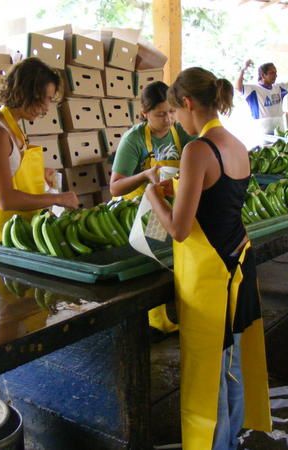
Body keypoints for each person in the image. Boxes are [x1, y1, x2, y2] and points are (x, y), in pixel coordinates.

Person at [145, 68, 271, 450]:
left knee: (207, 374)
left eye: (175, 111)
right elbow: (219, 202)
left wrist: (153, 196)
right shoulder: (234, 143)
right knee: (230, 365)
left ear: (186, 103)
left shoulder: (197, 149)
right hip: (239, 261)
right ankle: (229, 442)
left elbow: (179, 229)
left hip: (211, 276)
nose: (176, 121)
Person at [110, 80, 194, 334]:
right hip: (139, 211)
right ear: (144, 113)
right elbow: (115, 187)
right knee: (151, 264)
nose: (168, 119)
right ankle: (155, 321)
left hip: (169, 205)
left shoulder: (180, 132)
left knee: (173, 261)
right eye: (160, 114)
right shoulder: (134, 139)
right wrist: (145, 175)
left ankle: (171, 313)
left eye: (171, 112)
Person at [0, 58, 79, 257]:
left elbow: (11, 170)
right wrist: (58, 198)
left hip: (19, 235)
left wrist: (40, 174)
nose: (47, 108)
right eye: (46, 98)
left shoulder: (14, 127)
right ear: (28, 92)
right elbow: (5, 199)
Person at [236, 59, 288, 134]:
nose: (275, 75)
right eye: (272, 73)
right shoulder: (253, 89)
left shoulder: (278, 87)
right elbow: (238, 87)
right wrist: (243, 69)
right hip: (262, 130)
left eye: (275, 73)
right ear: (263, 75)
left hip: (279, 128)